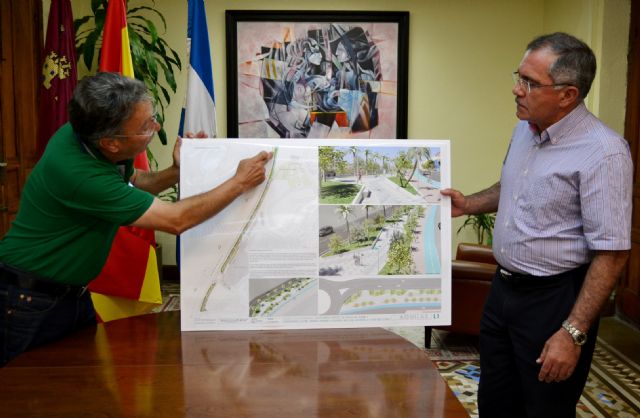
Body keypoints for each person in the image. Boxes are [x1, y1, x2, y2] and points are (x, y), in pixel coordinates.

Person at [0, 72, 272, 366]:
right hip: (28, 299)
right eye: (145, 127)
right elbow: (176, 220)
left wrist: (175, 172)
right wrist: (239, 183)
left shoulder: (86, 135)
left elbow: (132, 182)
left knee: (84, 383)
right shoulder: (80, 175)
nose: (156, 127)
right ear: (111, 143)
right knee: (24, 387)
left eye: (152, 117)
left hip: (70, 294)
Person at [441, 32, 632, 417]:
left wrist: (572, 333)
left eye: (529, 82)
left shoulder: (604, 153)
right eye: (519, 77)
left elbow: (612, 253)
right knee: (495, 403)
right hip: (502, 292)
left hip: (554, 300)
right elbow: (512, 187)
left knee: (545, 408)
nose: (516, 89)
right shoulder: (524, 130)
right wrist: (469, 204)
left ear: (567, 95)